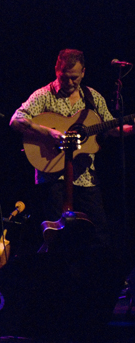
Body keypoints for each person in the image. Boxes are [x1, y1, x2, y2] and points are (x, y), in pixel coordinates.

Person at [9, 48, 134, 250]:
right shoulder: (44, 95)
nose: (68, 82)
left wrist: (129, 129)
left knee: (99, 233)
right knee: (58, 237)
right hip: (52, 175)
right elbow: (16, 120)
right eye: (63, 77)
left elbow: (111, 127)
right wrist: (49, 132)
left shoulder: (92, 97)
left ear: (83, 72)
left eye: (74, 78)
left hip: (85, 176)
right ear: (57, 70)